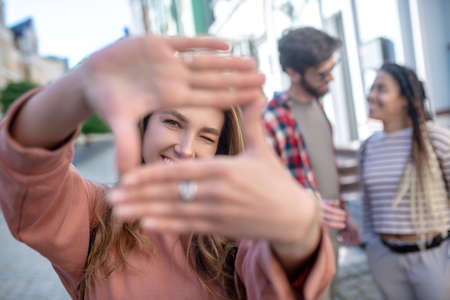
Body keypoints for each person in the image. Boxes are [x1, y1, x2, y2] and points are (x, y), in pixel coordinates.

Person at [0, 34, 335, 300]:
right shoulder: (96, 215)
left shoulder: (239, 231)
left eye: (206, 137)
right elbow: (28, 165)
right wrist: (79, 86)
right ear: (144, 125)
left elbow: (282, 283)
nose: (185, 149)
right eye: (173, 122)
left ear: (220, 150)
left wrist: (298, 230)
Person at [263, 27, 360, 300]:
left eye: (331, 68)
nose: (330, 78)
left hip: (330, 235)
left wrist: (345, 213)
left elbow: (323, 167)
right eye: (321, 73)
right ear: (292, 73)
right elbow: (266, 189)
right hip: (302, 243)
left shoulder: (318, 105)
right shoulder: (271, 118)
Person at [361, 63, 450, 300]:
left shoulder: (436, 139)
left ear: (405, 99)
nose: (371, 95)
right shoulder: (368, 147)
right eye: (372, 88)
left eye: (381, 89)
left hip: (434, 259)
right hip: (386, 260)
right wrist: (373, 248)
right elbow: (369, 207)